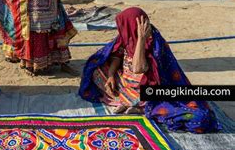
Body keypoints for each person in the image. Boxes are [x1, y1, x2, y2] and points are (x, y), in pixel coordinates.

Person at [78, 7, 220, 133]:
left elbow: (138, 68)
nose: (120, 29)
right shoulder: (128, 35)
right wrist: (110, 75)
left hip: (148, 92)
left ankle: (137, 106)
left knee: (199, 118)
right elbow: (116, 55)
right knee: (95, 69)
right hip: (127, 86)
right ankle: (128, 102)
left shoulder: (153, 44)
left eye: (123, 25)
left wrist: (141, 39)